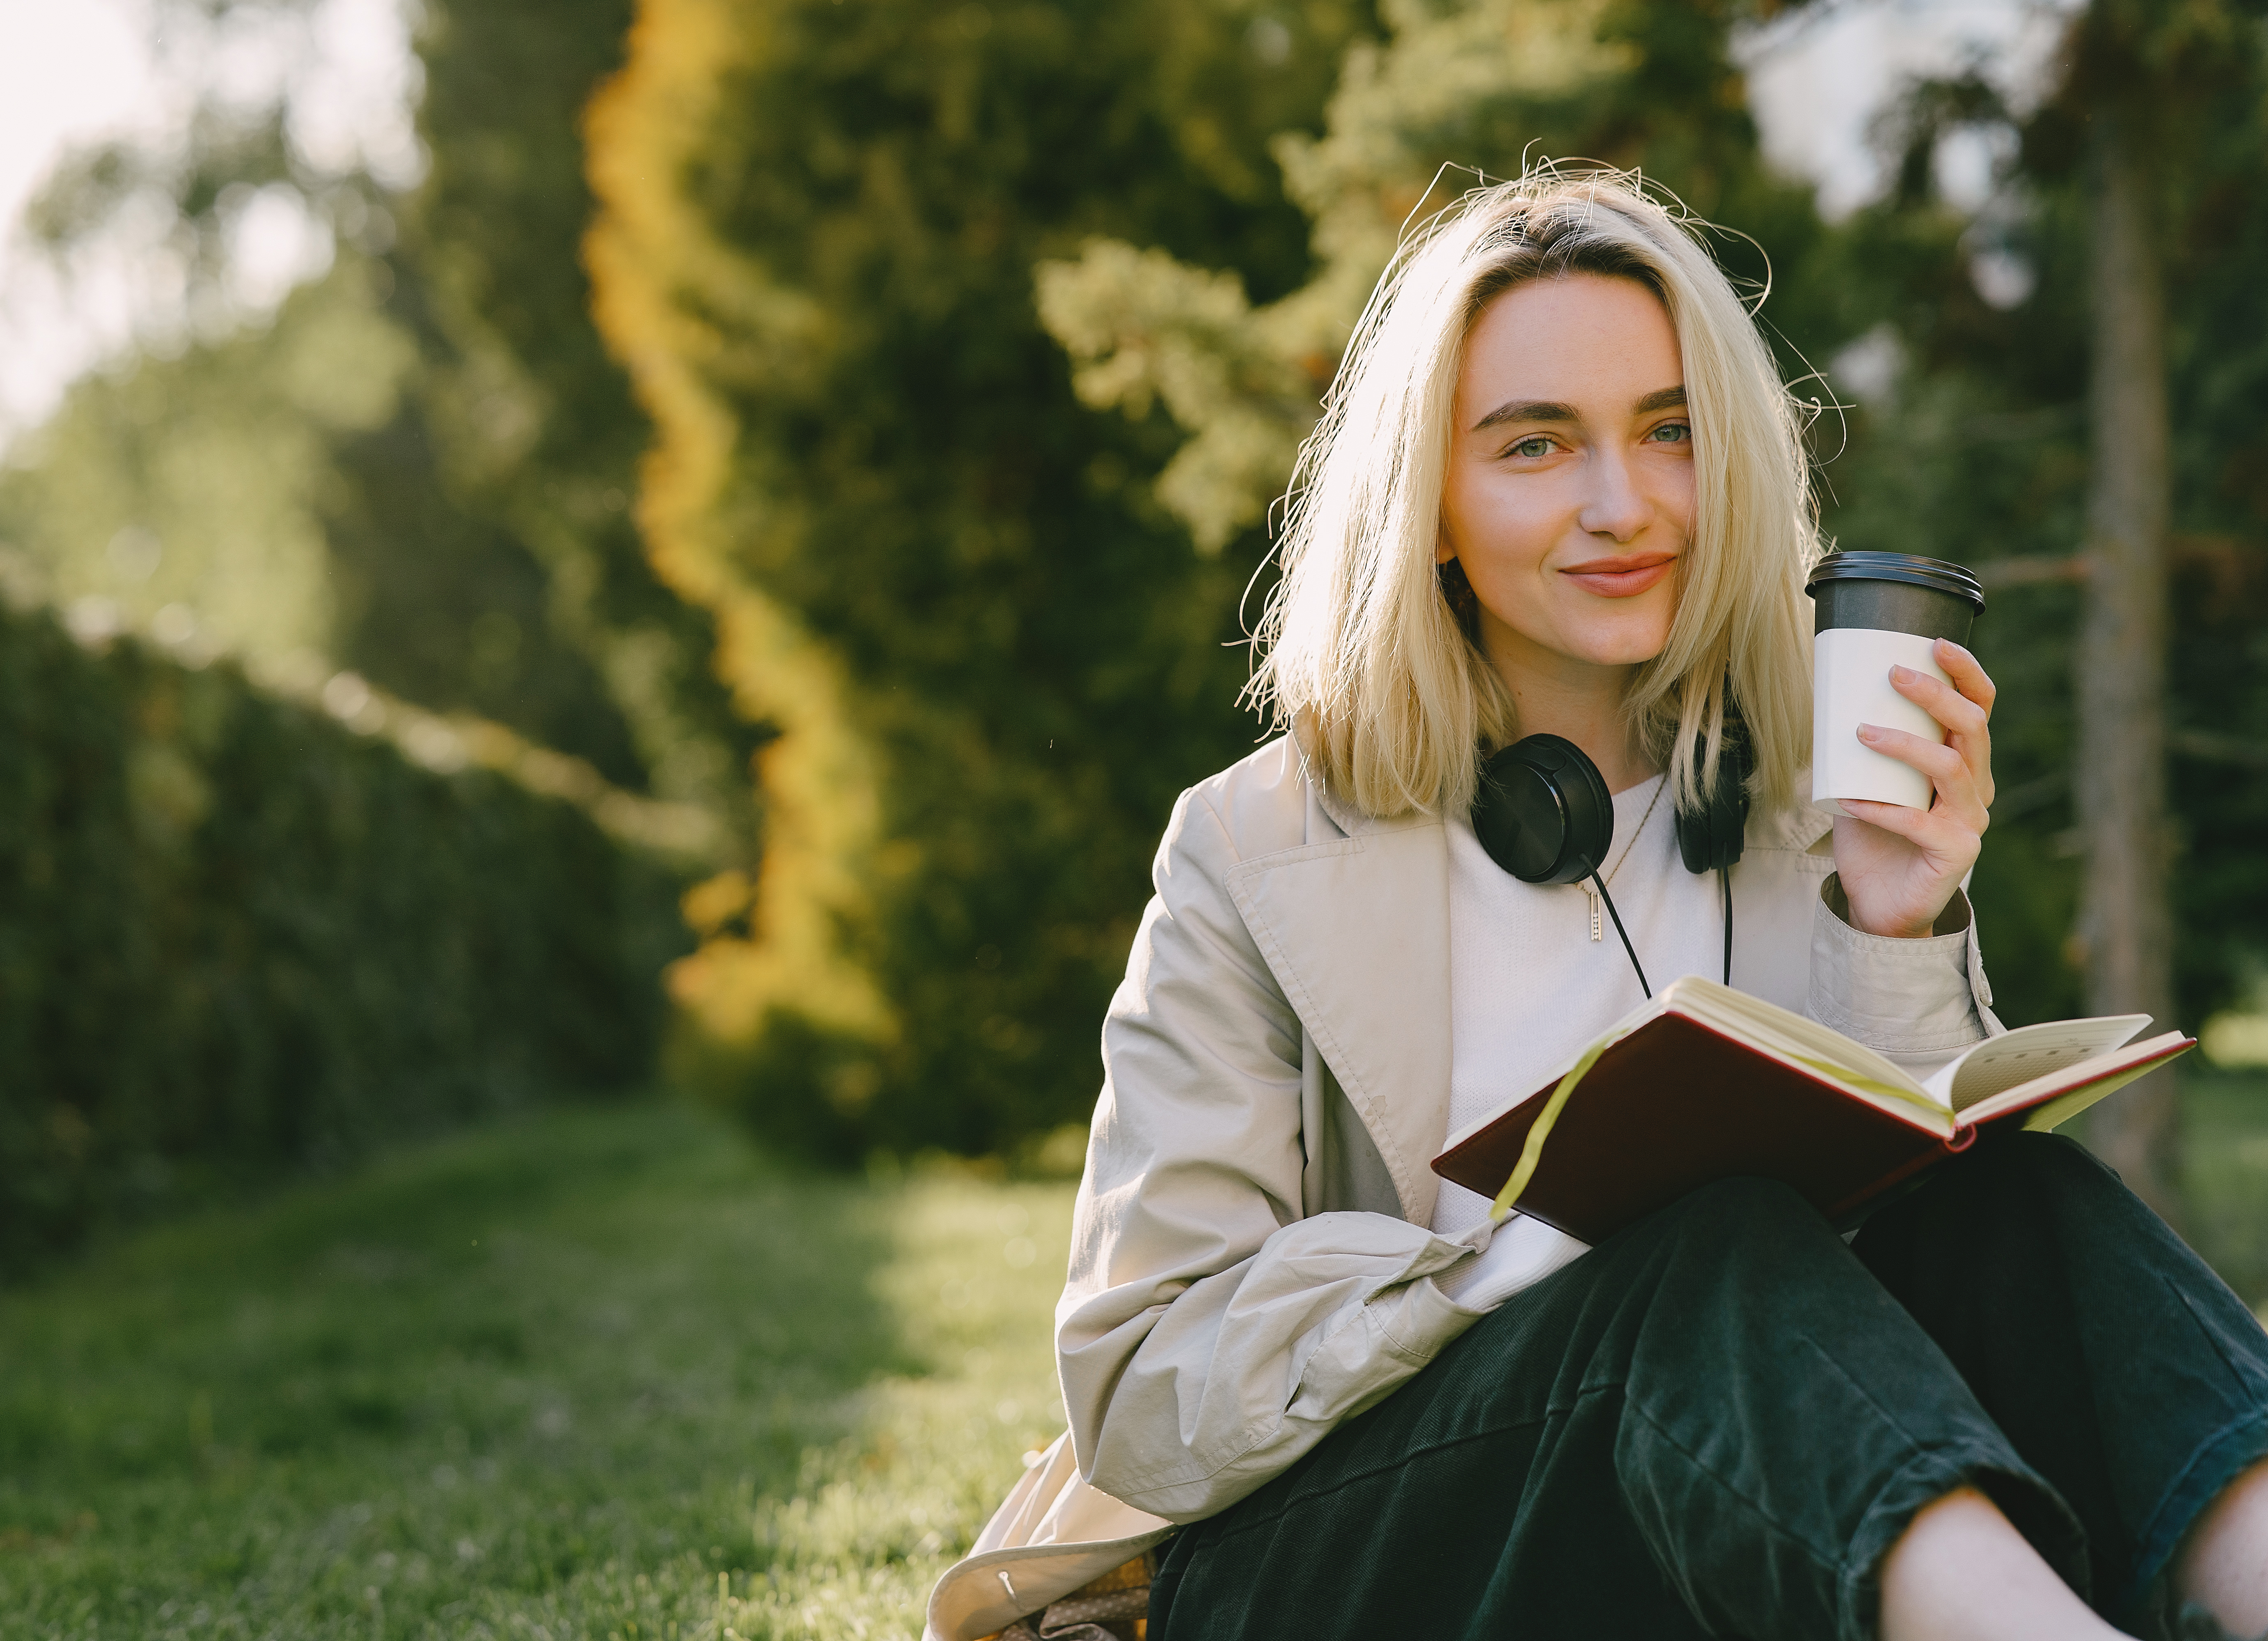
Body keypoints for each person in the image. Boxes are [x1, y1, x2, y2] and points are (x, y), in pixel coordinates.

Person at [924, 171, 2268, 1641]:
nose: (1623, 506)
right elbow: (1143, 1384)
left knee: (2021, 1201)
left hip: (1710, 1498)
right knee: (1705, 1256)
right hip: (1345, 1562)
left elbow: (1911, 1249)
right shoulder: (1251, 847)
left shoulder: (1799, 786)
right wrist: (1519, 1267)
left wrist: (1896, 918)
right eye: (1535, 445)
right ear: (1429, 503)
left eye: (1668, 432)